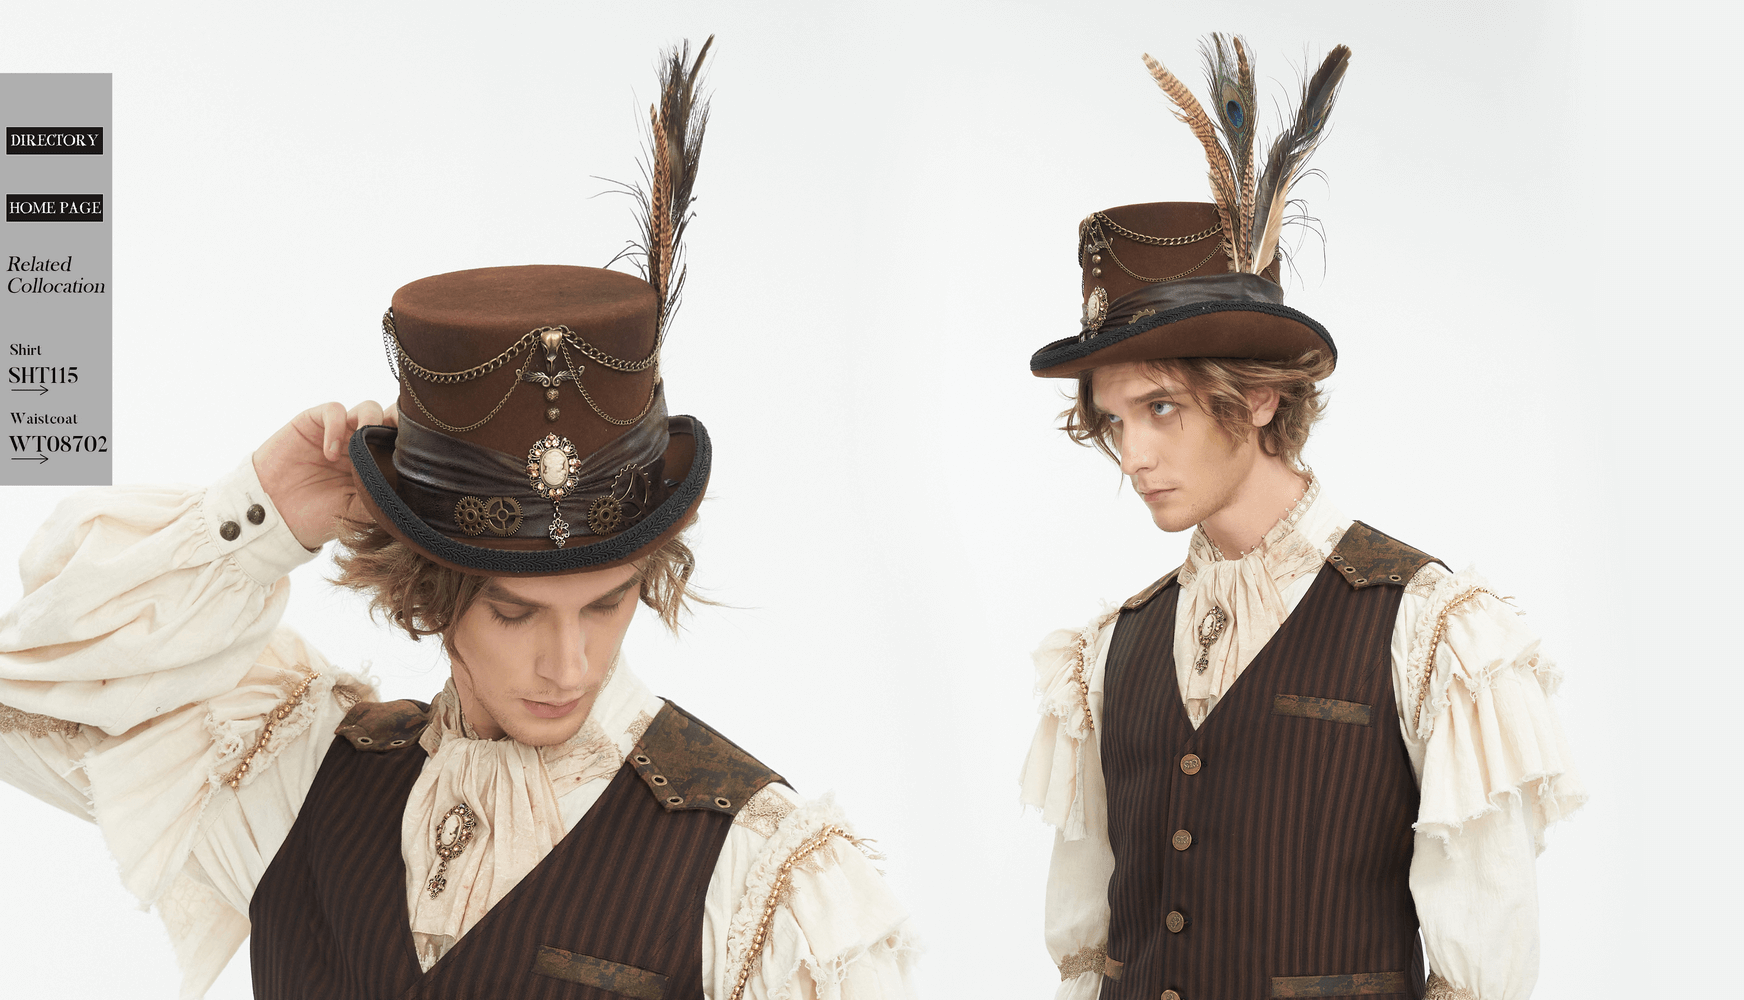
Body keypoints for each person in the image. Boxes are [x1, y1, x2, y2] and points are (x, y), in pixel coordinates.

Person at [0, 40, 916, 1000]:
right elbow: (38, 704)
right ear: (430, 594)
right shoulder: (294, 777)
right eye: (516, 613)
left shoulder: (761, 875)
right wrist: (262, 516)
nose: (569, 665)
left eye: (605, 605)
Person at [1018, 35, 1584, 1000]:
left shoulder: (1429, 630)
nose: (1136, 454)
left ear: (1262, 397)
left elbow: (1484, 969)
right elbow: (1089, 953)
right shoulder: (1110, 653)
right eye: (1114, 422)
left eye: (1162, 408)